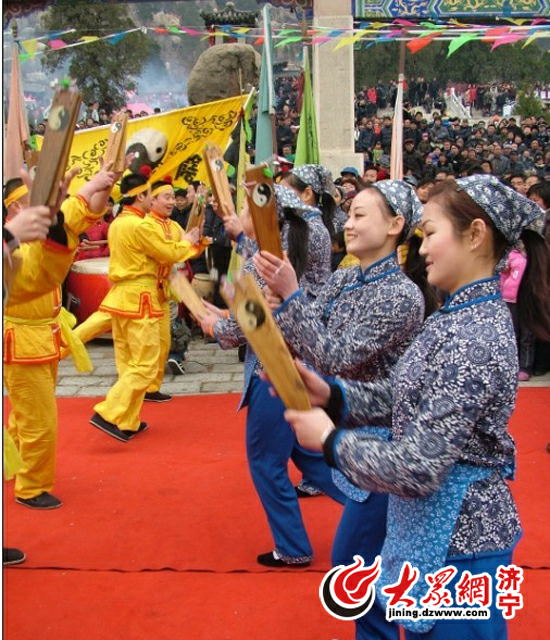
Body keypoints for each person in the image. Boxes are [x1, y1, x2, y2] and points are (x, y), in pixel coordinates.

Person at [286, 174, 549, 639]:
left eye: (430, 234)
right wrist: (333, 395)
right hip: (433, 529)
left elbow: (420, 466)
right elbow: (402, 394)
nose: (421, 248)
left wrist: (329, 440)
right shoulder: (455, 315)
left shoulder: (473, 334)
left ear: (474, 235)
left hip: (461, 538)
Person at [255, 181, 435, 633]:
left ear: (397, 226)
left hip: (388, 443)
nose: (348, 224)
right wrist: (279, 315)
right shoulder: (345, 276)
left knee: (355, 563)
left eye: (360, 215)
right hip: (351, 429)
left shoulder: (400, 294)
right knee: (364, 564)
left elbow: (336, 355)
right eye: (349, 214)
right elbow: (314, 341)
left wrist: (292, 297)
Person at [199, 184, 344, 567]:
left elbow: (251, 322)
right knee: (311, 454)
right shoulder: (288, 250)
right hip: (304, 365)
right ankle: (373, 505)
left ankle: (293, 547)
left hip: (274, 371)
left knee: (266, 461)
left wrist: (214, 326)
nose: (240, 218)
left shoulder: (265, 264)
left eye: (248, 211)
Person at [4, 165, 118, 510]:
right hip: (24, 338)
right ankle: (31, 486)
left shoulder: (25, 245)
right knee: (39, 421)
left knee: (25, 417)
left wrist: (93, 189)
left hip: (42, 334)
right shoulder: (18, 253)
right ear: (15, 211)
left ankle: (13, 466)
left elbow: (69, 223)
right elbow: (59, 237)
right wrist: (83, 194)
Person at [90, 171, 200, 442]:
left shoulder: (119, 222)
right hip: (141, 298)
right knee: (146, 365)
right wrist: (188, 244)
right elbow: (169, 253)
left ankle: (127, 420)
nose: (159, 200)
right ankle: (108, 412)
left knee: (130, 363)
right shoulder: (140, 226)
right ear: (141, 195)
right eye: (154, 194)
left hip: (126, 297)